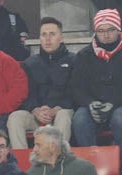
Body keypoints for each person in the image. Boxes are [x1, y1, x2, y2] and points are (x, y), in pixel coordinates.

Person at [69, 8, 122, 148]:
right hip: (93, 105)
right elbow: (77, 88)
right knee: (80, 119)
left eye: (110, 30)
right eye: (101, 31)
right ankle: (90, 164)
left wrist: (113, 104)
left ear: (118, 30)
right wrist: (90, 104)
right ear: (95, 32)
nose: (106, 35)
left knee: (121, 118)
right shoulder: (84, 56)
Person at [9, 16, 75, 148]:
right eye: (44, 35)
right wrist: (35, 110)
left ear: (61, 38)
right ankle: (22, 164)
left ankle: (57, 161)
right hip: (37, 114)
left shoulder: (73, 60)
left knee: (63, 115)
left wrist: (56, 108)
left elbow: (76, 91)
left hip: (62, 111)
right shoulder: (30, 63)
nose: (47, 39)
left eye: (52, 34)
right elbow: (25, 93)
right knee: (15, 117)